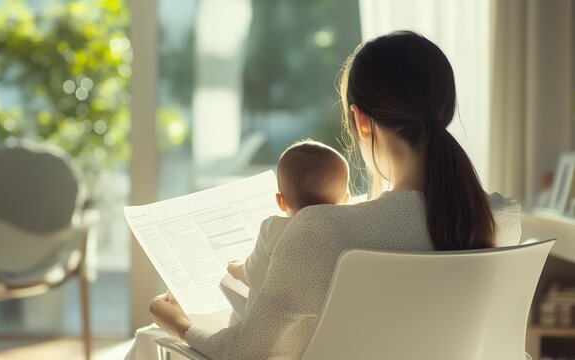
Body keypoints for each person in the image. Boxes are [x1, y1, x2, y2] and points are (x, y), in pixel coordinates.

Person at [146, 30, 521, 359]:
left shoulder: (322, 230)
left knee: (148, 342)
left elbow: (246, 355)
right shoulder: (500, 219)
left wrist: (177, 324)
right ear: (446, 109)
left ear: (361, 119)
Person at [227, 139, 350, 317]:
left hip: (272, 324)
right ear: (345, 200)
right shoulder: (343, 233)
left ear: (280, 201)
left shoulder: (274, 228)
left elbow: (254, 276)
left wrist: (236, 269)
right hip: (320, 324)